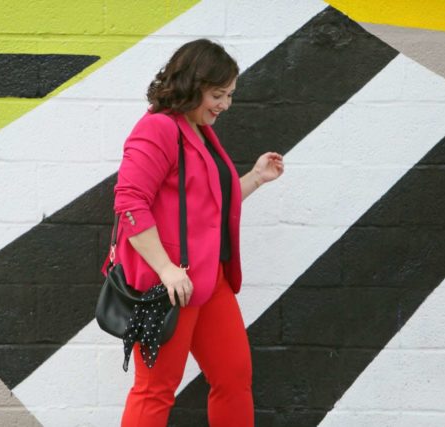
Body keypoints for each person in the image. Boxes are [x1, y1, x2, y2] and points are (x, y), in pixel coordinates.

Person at [101, 38, 284, 427]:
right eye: (218, 94)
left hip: (209, 279)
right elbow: (129, 203)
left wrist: (253, 178)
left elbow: (211, 206)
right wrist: (167, 269)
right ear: (192, 85)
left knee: (234, 377)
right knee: (155, 390)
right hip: (169, 287)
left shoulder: (198, 129)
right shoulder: (157, 129)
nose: (225, 105)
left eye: (230, 95)